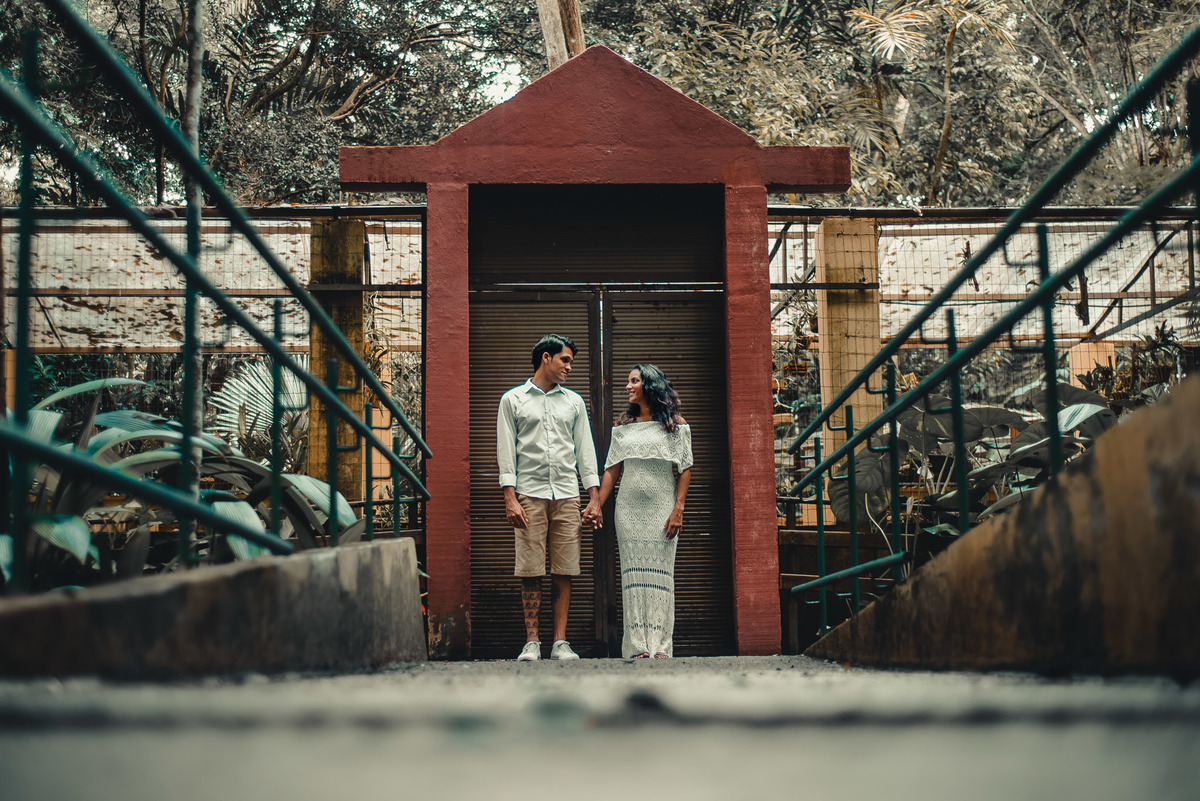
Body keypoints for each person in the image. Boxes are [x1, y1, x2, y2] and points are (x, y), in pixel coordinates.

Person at [497, 334, 603, 661]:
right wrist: (510, 498)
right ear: (546, 357)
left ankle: (560, 642)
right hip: (528, 494)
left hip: (567, 495)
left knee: (564, 568)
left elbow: (585, 451)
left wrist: (594, 498)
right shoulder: (513, 400)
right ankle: (532, 642)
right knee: (530, 569)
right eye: (565, 360)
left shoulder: (574, 402)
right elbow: (506, 450)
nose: (569, 367)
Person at [596, 364, 693, 659]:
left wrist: (678, 509)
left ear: (649, 385)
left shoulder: (675, 425)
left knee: (662, 576)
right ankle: (638, 646)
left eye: (634, 381)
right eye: (628, 381)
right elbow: (612, 471)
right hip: (628, 512)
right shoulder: (623, 427)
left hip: (663, 509)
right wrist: (596, 504)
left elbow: (685, 468)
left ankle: (661, 646)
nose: (628, 386)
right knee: (633, 578)